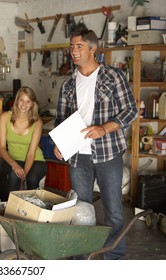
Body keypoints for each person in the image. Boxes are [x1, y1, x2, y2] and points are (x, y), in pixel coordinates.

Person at [54, 29, 138, 260]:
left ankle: (114, 258)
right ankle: (82, 257)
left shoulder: (112, 77)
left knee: (113, 210)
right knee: (81, 210)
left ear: (93, 49)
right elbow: (60, 119)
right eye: (71, 46)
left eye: (79, 46)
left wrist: (104, 128)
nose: (73, 51)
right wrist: (60, 143)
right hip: (77, 156)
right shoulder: (69, 84)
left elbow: (131, 110)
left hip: (108, 153)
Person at [0, 86, 47, 201]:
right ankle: (11, 210)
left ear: (32, 104)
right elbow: (1, 147)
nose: (24, 105)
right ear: (17, 101)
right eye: (21, 100)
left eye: (28, 101)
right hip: (12, 159)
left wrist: (24, 174)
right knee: (15, 176)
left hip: (35, 160)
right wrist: (14, 164)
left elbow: (31, 153)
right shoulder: (5, 117)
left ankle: (33, 210)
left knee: (32, 179)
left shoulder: (37, 122)